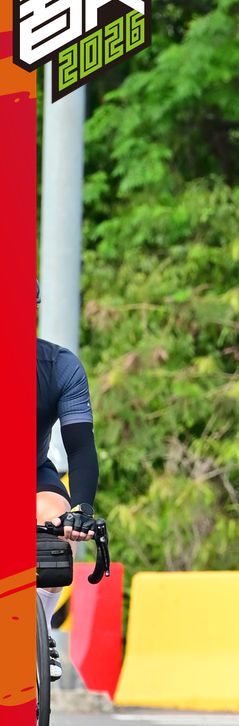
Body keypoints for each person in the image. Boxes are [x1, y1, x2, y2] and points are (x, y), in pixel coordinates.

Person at [37, 280, 100, 680]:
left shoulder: (60, 366)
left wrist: (82, 510)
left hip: (29, 474)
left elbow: (79, 448)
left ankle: (37, 631)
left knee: (58, 523)